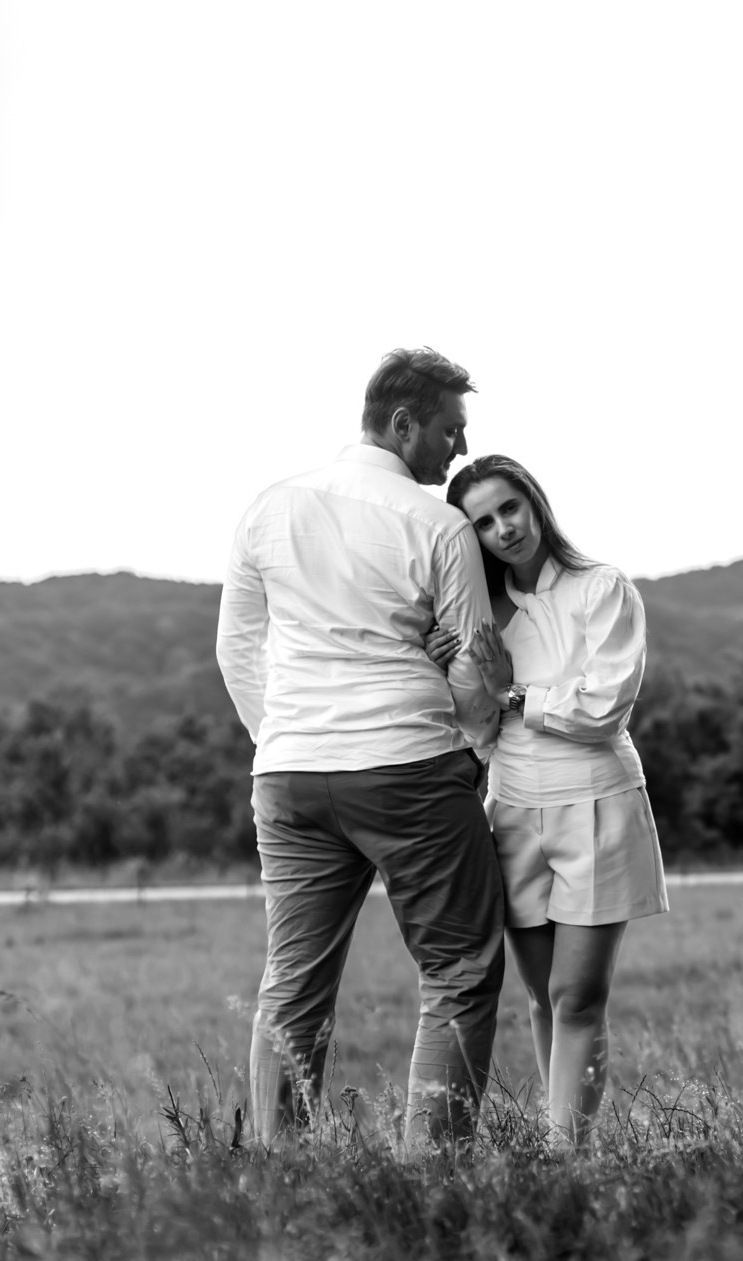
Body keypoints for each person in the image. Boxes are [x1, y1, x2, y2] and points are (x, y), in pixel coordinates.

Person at [215, 348, 506, 1151]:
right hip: (409, 767)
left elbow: (236, 650)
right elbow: (477, 670)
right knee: (458, 970)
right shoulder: (438, 523)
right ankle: (430, 1172)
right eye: (450, 430)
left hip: (290, 774)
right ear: (402, 422)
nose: (458, 449)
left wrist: (285, 736)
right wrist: (475, 753)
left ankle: (282, 1169)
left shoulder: (269, 507)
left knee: (293, 981)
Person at [438, 453, 668, 1149]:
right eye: (483, 521)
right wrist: (455, 673)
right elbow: (476, 732)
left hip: (594, 802)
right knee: (541, 997)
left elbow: (604, 708)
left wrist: (515, 695)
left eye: (510, 508)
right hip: (511, 809)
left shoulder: (602, 588)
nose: (503, 528)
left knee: (577, 996)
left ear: (534, 503)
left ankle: (570, 1155)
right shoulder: (482, 617)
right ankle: (557, 1144)